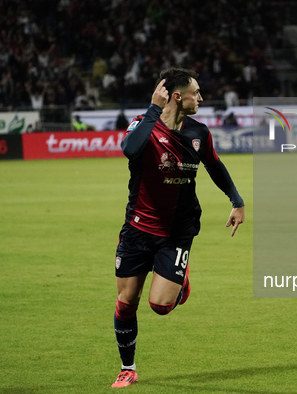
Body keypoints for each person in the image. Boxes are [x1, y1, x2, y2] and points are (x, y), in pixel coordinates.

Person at [111, 68, 245, 388]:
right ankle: (127, 368)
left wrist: (236, 200)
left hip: (177, 231)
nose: (200, 98)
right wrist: (154, 110)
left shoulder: (199, 132)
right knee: (127, 302)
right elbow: (130, 150)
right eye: (195, 92)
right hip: (138, 228)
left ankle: (180, 278)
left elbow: (215, 165)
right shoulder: (143, 125)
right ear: (177, 96)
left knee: (159, 306)